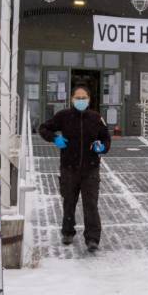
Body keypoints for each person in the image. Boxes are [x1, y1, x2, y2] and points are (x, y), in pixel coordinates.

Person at [38, 85, 111, 252]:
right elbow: (43, 128)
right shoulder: (63, 116)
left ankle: (92, 238)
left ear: (89, 100)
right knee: (69, 201)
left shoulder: (96, 118)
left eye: (83, 98)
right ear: (71, 99)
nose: (80, 100)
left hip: (90, 169)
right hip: (69, 168)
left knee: (91, 204)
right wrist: (54, 138)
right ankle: (68, 231)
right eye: (77, 98)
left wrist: (102, 147)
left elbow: (106, 139)